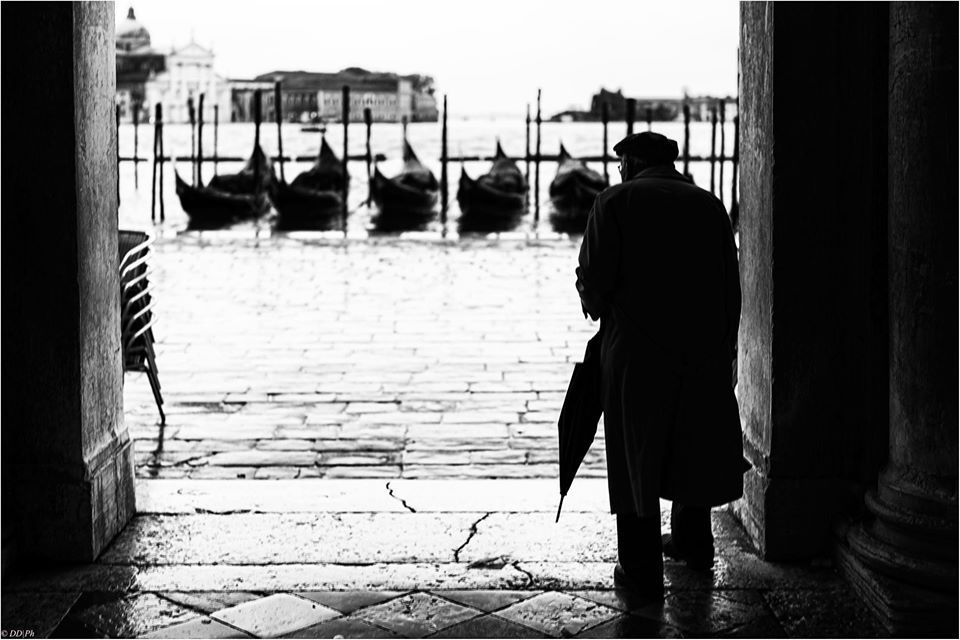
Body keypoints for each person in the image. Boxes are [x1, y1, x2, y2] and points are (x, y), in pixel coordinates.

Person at [575, 131, 746, 599]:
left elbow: (594, 289)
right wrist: (724, 349)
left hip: (636, 356)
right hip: (701, 350)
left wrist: (587, 293)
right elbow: (730, 288)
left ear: (630, 163)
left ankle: (639, 566)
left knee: (635, 456)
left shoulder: (613, 203)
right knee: (694, 444)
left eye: (620, 166)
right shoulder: (711, 206)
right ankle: (694, 542)